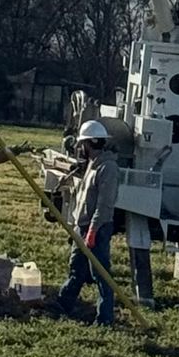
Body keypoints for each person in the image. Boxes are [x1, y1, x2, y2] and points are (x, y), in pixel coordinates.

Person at [56, 118, 121, 326]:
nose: (80, 148)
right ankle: (62, 306)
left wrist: (92, 230)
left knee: (100, 274)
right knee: (76, 269)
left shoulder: (107, 168)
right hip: (82, 226)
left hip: (97, 228)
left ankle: (105, 319)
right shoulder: (93, 164)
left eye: (82, 144)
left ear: (90, 143)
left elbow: (104, 206)